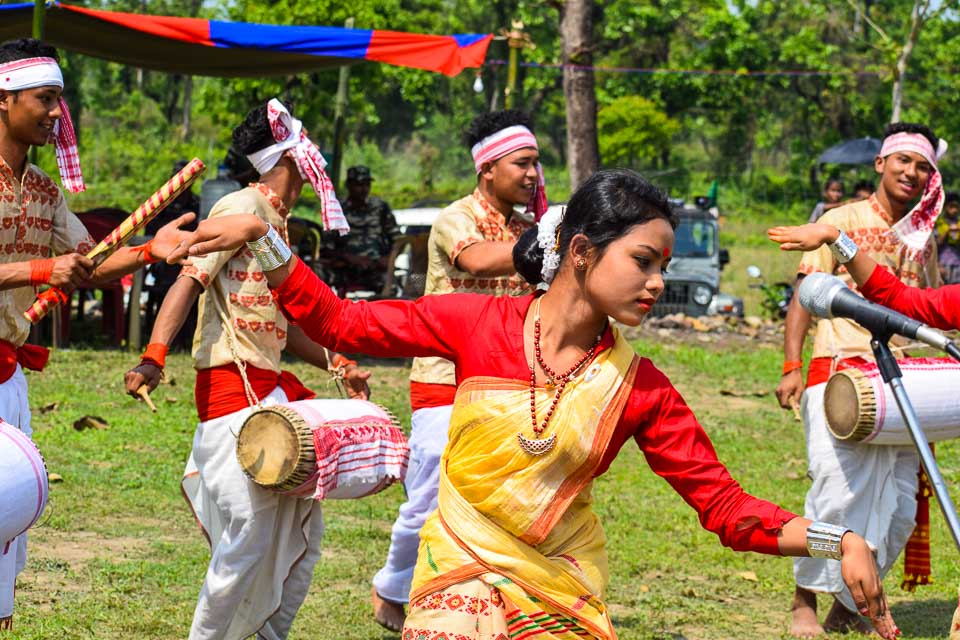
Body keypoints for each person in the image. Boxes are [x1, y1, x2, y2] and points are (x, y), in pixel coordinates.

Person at [167, 168, 899, 640]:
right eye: (642, 261)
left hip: (562, 597)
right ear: (581, 252)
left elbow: (724, 508)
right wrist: (265, 241)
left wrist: (841, 540)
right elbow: (341, 326)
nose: (654, 283)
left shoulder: (641, 390)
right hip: (455, 583)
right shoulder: (471, 322)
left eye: (664, 268)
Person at [122, 98, 368, 640]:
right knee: (250, 538)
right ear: (289, 154)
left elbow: (290, 322)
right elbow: (188, 280)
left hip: (274, 397)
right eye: (309, 145)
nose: (319, 157)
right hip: (231, 394)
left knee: (304, 533)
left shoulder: (275, 221)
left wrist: (339, 359)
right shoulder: (237, 205)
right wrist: (154, 355)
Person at [0, 38, 193, 630]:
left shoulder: (41, 190)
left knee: (6, 520)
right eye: (46, 99)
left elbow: (88, 258)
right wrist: (39, 270)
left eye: (60, 100)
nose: (58, 113)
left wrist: (146, 251)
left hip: (7, 372)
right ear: (3, 101)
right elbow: (53, 268)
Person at [370, 109, 545, 631]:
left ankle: (477, 596)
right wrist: (546, 244)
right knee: (427, 499)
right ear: (488, 168)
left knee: (498, 500)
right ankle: (392, 588)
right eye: (523, 163)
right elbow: (475, 261)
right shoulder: (456, 218)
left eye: (537, 164)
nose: (533, 175)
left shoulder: (528, 230)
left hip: (504, 381)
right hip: (443, 380)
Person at [776, 122, 945, 638]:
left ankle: (851, 606)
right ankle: (804, 598)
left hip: (904, 383)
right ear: (880, 164)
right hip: (839, 371)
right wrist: (791, 364)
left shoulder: (923, 237)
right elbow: (807, 294)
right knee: (834, 494)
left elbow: (928, 309)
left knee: (896, 508)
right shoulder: (839, 220)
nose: (912, 173)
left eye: (923, 167)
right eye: (903, 162)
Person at [145, 160, 202, 350]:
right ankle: (169, 340)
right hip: (164, 258)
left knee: (195, 275)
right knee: (172, 273)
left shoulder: (196, 203)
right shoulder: (160, 203)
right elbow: (150, 230)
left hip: (191, 255)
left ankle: (188, 339)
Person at [325, 165, 399, 294]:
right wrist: (348, 258)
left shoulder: (380, 208)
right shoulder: (337, 210)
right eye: (359, 184)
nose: (364, 189)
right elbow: (326, 248)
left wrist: (388, 259)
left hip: (375, 268)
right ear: (349, 185)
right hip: (345, 269)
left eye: (367, 184)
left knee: (393, 290)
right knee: (318, 279)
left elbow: (398, 239)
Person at [935, 192, 960, 284]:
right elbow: (935, 245)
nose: (954, 210)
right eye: (951, 206)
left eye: (956, 207)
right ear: (945, 207)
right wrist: (948, 231)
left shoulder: (958, 222)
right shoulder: (938, 223)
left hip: (957, 263)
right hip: (943, 264)